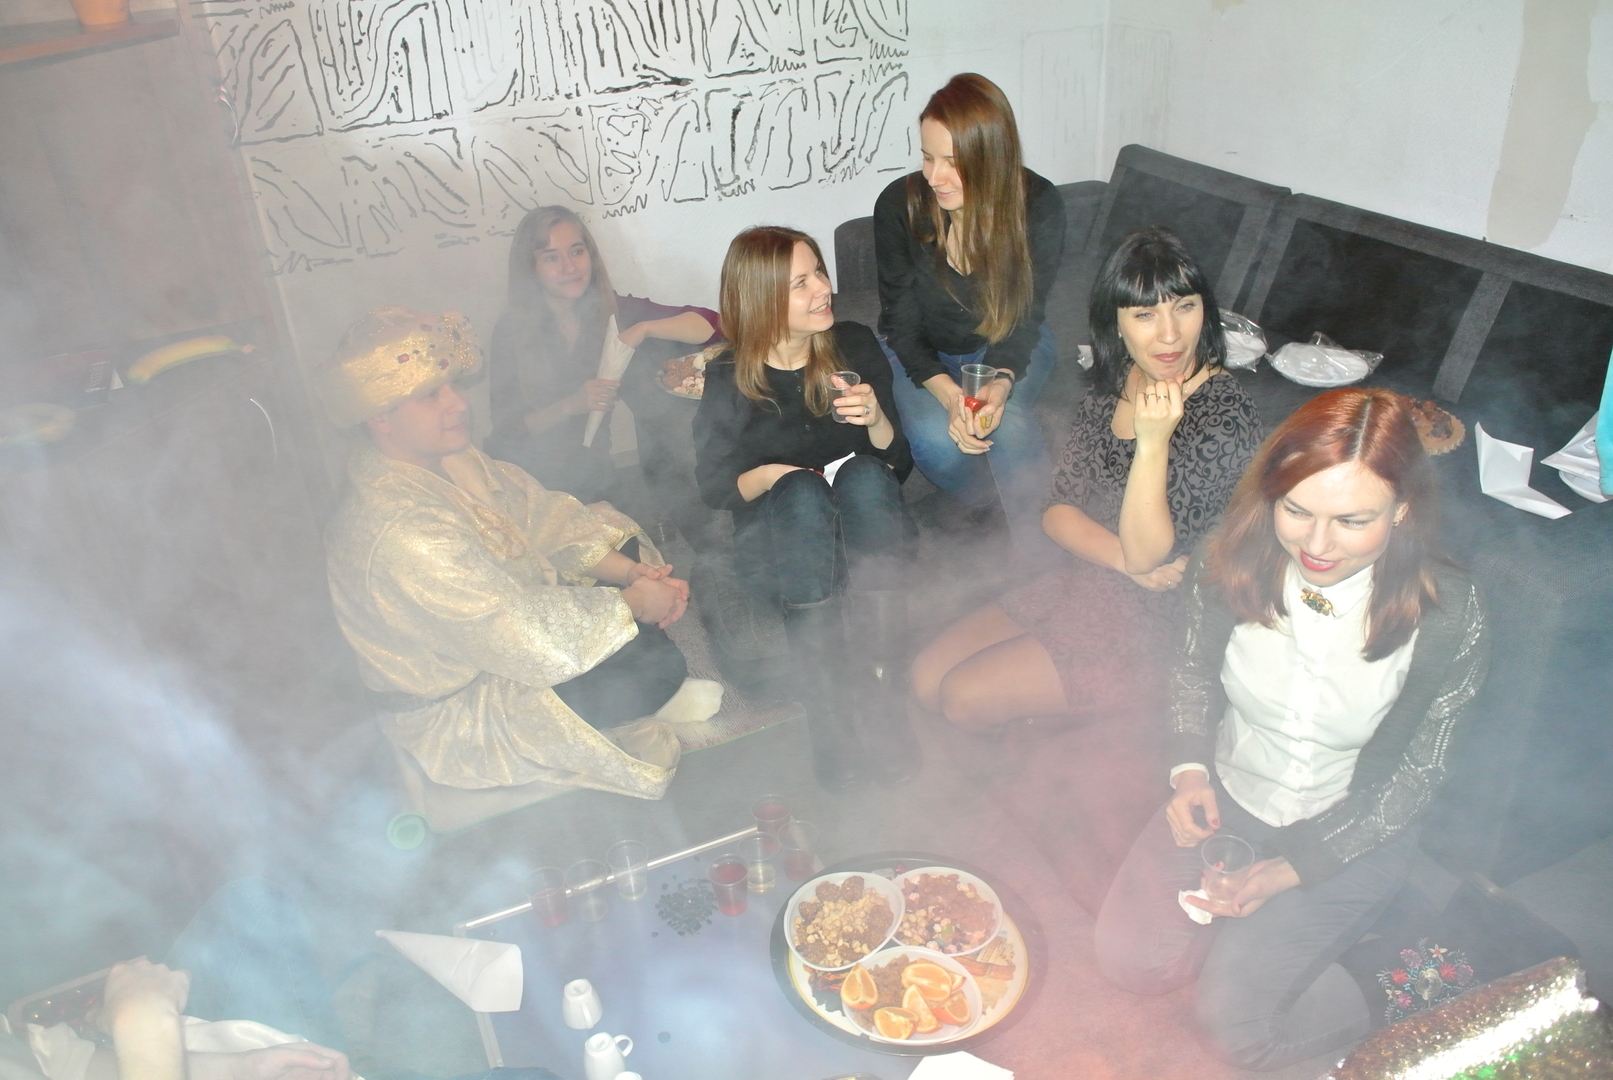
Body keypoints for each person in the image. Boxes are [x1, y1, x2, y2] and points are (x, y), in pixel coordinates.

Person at [1095, 388, 1491, 1070]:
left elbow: (1418, 775)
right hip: (1232, 800)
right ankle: (1268, 948)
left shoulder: (1451, 613)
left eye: (1351, 521)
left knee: (1235, 1032)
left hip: (1355, 829)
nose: (1316, 544)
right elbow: (1189, 672)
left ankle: (1389, 983)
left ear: (1401, 510)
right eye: (1297, 510)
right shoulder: (1225, 559)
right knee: (1128, 963)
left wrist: (1295, 868)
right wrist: (1188, 771)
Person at [911, 229, 1262, 900]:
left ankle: (1039, 780)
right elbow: (1057, 510)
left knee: (960, 699)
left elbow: (1154, 554)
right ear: (1116, 324)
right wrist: (1121, 561)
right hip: (1091, 581)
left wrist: (1153, 444)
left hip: (1160, 624)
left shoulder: (1225, 412)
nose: (1169, 333)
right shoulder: (1112, 386)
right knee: (926, 677)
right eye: (1145, 314)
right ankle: (1034, 747)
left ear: (1205, 312)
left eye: (1184, 307)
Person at [318, 306, 695, 799]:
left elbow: (542, 516)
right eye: (432, 395)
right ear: (380, 418)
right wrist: (635, 605)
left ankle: (632, 637)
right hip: (465, 702)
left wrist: (631, 574)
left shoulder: (451, 458)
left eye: (453, 386)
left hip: (511, 635)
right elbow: (516, 632)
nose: (458, 404)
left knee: (616, 556)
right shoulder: (399, 528)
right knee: (654, 666)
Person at [693, 227, 915, 791]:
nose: (823, 288)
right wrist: (777, 475)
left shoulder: (853, 345)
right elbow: (713, 487)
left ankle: (885, 697)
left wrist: (876, 420)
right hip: (783, 548)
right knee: (801, 492)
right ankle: (831, 719)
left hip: (863, 534)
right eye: (801, 282)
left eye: (819, 271)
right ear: (762, 298)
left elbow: (898, 464)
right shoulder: (729, 376)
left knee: (866, 474)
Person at [873, 73, 1065, 561]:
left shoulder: (1038, 205)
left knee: (1008, 421)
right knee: (938, 443)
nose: (934, 177)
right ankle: (990, 507)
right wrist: (950, 394)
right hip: (918, 349)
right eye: (927, 157)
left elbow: (1024, 317)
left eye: (953, 163)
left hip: (1009, 340)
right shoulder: (899, 206)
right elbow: (901, 324)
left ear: (992, 158)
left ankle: (1044, 553)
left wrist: (999, 383)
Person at [484, 205, 720, 507]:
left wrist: (643, 328)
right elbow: (507, 431)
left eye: (577, 251)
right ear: (530, 268)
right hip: (528, 488)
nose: (570, 267)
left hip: (597, 482)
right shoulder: (513, 330)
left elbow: (710, 324)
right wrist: (572, 404)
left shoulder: (610, 311)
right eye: (551, 257)